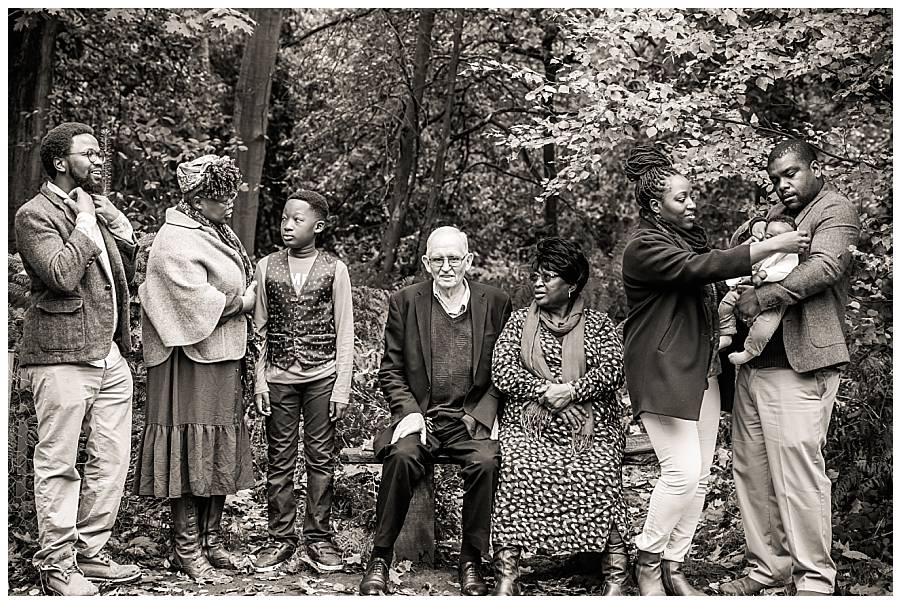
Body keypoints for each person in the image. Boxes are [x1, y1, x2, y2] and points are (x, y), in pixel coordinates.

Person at [620, 145, 809, 596]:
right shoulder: (643, 248)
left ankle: (674, 564)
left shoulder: (687, 237)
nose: (692, 204)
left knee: (701, 475)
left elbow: (715, 266)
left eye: (691, 196)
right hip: (662, 372)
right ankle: (646, 560)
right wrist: (771, 244)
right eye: (681, 198)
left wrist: (768, 232)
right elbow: (700, 268)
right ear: (654, 206)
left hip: (702, 372)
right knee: (682, 473)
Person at [721, 140, 861, 596]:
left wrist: (761, 296)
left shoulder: (834, 209)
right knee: (752, 472)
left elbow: (824, 267)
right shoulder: (770, 216)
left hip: (801, 367)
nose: (783, 185)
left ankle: (815, 582)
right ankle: (768, 568)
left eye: (791, 174)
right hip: (753, 365)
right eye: (776, 178)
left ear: (815, 169)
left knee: (799, 476)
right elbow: (737, 254)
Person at [14, 122, 142, 596]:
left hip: (108, 356)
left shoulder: (91, 207)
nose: (99, 160)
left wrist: (121, 232)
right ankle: (56, 565)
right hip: (60, 355)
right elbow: (63, 275)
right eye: (89, 153)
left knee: (110, 459)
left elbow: (115, 281)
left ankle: (88, 553)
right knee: (59, 462)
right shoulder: (35, 214)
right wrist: (87, 223)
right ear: (61, 162)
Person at [358, 226, 512, 596]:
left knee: (487, 462)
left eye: (454, 258)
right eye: (438, 259)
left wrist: (484, 416)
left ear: (469, 261)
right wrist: (408, 413)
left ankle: (471, 559)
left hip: (469, 420)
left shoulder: (495, 302)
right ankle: (380, 557)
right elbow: (391, 370)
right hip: (422, 419)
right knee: (402, 456)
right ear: (426, 263)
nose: (446, 266)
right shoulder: (406, 301)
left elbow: (504, 369)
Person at [134, 154, 257, 582]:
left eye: (230, 195)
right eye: (220, 197)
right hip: (186, 361)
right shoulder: (175, 238)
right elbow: (191, 299)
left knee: (218, 445)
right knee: (189, 448)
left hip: (221, 356)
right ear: (197, 198)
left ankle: (212, 539)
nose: (229, 204)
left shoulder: (215, 229)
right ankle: (187, 549)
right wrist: (243, 303)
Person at [490, 237, 630, 597]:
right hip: (530, 426)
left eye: (548, 277)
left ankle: (615, 576)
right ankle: (508, 575)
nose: (537, 282)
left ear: (571, 284)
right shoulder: (520, 321)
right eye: (535, 275)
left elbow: (613, 371)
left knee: (598, 469)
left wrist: (571, 391)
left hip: (590, 426)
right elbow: (502, 371)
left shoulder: (598, 325)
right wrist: (544, 390)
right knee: (517, 466)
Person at [251, 191, 354, 573]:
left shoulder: (334, 269)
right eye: (284, 219)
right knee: (279, 459)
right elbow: (258, 329)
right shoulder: (265, 267)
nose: (288, 225)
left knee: (320, 458)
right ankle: (279, 537)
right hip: (278, 379)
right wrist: (259, 382)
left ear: (318, 226)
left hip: (322, 378)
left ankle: (318, 536)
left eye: (297, 219)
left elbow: (345, 331)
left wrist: (341, 386)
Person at [718, 216, 800, 365]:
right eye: (769, 237)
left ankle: (749, 352)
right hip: (743, 287)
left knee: (764, 328)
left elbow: (785, 270)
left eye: (781, 239)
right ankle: (726, 333)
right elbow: (740, 259)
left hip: (771, 298)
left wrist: (764, 274)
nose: (774, 242)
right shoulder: (759, 246)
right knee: (724, 306)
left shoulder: (789, 255)